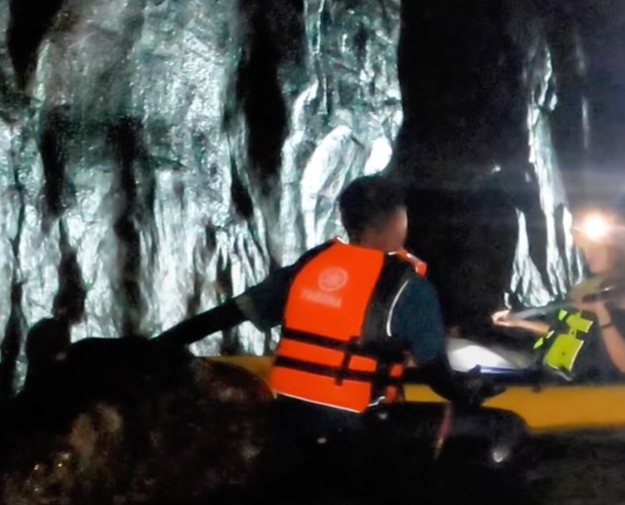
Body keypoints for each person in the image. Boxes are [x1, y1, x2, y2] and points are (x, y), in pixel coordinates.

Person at [158, 175, 472, 440]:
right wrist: (470, 394)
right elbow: (437, 377)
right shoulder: (409, 288)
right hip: (361, 429)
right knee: (484, 428)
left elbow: (224, 315)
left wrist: (156, 348)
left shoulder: (311, 265)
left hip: (290, 419)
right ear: (397, 220)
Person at [490, 210, 625, 381]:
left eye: (597, 248)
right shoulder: (589, 290)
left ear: (618, 254)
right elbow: (563, 333)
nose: (588, 253)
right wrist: (517, 322)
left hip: (587, 395)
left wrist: (602, 314)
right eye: (587, 248)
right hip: (549, 383)